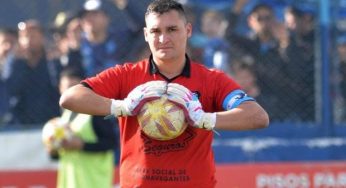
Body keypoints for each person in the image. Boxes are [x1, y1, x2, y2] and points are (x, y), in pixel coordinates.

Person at [59, 0, 269, 187]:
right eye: (155, 31)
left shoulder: (211, 79)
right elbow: (70, 97)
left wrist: (205, 118)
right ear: (145, 35)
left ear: (188, 30)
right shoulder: (125, 75)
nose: (163, 38)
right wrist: (121, 107)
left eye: (172, 29)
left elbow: (258, 117)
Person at [46, 68, 117, 188]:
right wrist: (53, 150)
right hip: (70, 183)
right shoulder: (63, 119)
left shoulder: (95, 113)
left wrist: (82, 145)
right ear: (60, 88)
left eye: (73, 87)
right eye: (66, 87)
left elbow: (111, 142)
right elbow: (61, 154)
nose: (69, 92)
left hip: (94, 182)